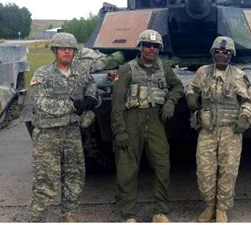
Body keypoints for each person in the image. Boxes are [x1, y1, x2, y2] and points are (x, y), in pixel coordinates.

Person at [111, 29, 184, 223]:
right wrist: (119, 130)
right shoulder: (127, 69)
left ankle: (160, 211)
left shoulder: (164, 68)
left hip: (155, 122)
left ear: (159, 49)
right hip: (131, 120)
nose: (151, 49)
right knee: (127, 169)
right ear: (141, 47)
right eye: (147, 45)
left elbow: (178, 86)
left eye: (155, 46)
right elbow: (117, 103)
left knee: (162, 165)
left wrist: (171, 101)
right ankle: (129, 214)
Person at [185, 36, 251, 223]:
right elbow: (191, 87)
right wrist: (191, 96)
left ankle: (222, 209)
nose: (221, 55)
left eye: (225, 52)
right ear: (212, 53)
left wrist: (244, 116)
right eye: (217, 51)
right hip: (207, 130)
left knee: (228, 170)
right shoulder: (203, 72)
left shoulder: (239, 76)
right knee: (205, 170)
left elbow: (249, 101)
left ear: (231, 55)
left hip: (230, 131)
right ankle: (209, 206)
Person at [29, 32, 98, 222]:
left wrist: (91, 97)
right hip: (47, 134)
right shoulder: (42, 73)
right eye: (63, 48)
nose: (67, 51)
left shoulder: (80, 71)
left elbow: (91, 84)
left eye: (71, 49)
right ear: (55, 50)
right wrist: (73, 106)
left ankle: (68, 215)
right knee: (45, 180)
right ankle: (37, 218)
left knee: (74, 176)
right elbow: (40, 102)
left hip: (72, 132)